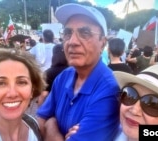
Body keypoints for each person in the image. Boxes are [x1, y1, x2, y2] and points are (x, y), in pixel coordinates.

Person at [36, 3, 120, 141]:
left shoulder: (109, 89)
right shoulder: (64, 77)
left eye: (85, 33)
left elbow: (46, 121)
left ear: (103, 43)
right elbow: (40, 119)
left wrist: (51, 125)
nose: (72, 41)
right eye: (68, 33)